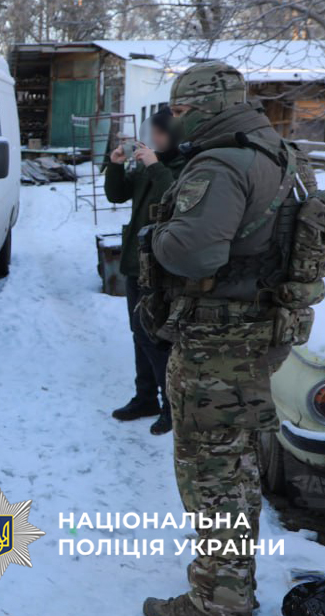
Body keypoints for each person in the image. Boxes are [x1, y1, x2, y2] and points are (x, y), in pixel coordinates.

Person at [140, 62, 296, 616]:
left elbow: (193, 251)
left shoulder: (223, 163)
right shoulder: (280, 155)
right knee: (234, 469)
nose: (175, 121)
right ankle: (230, 589)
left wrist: (155, 235)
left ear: (207, 105)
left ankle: (217, 602)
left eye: (180, 111)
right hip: (256, 335)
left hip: (218, 347)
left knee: (213, 480)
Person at [104, 106, 184, 436]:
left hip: (161, 269)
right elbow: (116, 194)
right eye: (153, 133)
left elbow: (175, 198)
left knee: (156, 338)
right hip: (137, 264)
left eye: (161, 133)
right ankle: (145, 397)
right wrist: (116, 165)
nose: (155, 139)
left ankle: (170, 405)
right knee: (139, 333)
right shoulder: (153, 166)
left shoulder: (184, 167)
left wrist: (152, 166)